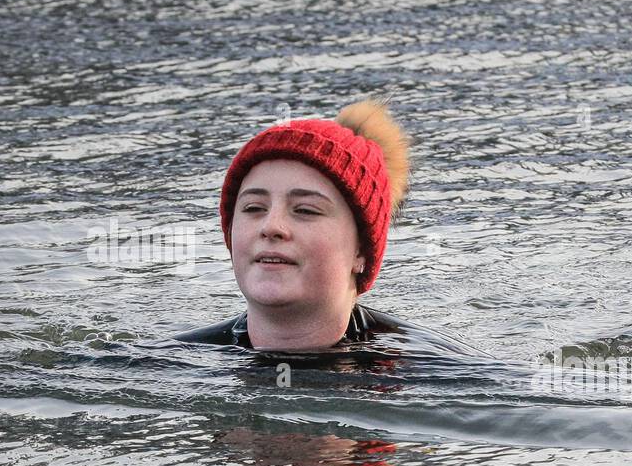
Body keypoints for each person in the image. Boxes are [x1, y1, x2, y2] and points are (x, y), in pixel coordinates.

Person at [175, 97, 481, 357]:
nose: (271, 226)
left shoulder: (436, 373)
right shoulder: (169, 363)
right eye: (254, 208)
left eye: (305, 210)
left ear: (361, 249)